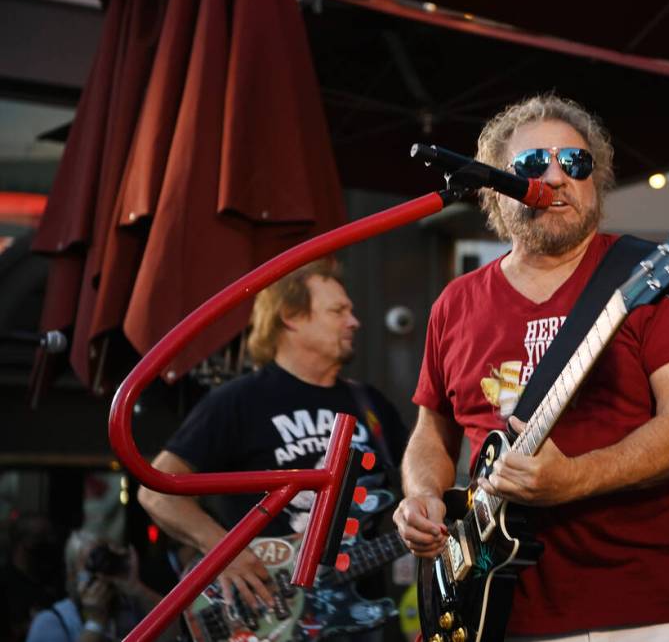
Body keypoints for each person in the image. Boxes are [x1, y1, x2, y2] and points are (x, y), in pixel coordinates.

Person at [393, 94, 669, 641]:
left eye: (576, 163)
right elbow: (433, 430)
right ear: (494, 187)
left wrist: (575, 479)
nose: (557, 177)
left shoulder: (649, 275)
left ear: (597, 179)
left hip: (644, 613)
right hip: (493, 613)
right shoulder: (455, 303)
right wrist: (423, 495)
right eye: (531, 165)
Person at [138, 258, 407, 642]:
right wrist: (223, 552)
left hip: (355, 619)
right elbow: (156, 490)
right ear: (291, 317)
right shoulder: (239, 401)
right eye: (338, 311)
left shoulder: (371, 405)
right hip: (266, 618)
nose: (354, 322)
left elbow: (419, 484)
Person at [25, 529, 176, 642]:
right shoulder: (51, 622)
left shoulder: (133, 609)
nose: (100, 573)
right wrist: (95, 623)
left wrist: (136, 588)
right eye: (92, 563)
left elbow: (174, 634)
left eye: (104, 558)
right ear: (72, 576)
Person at [0, 513, 63, 642]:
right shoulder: (4, 583)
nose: (52, 541)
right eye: (43, 536)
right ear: (25, 541)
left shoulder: (52, 580)